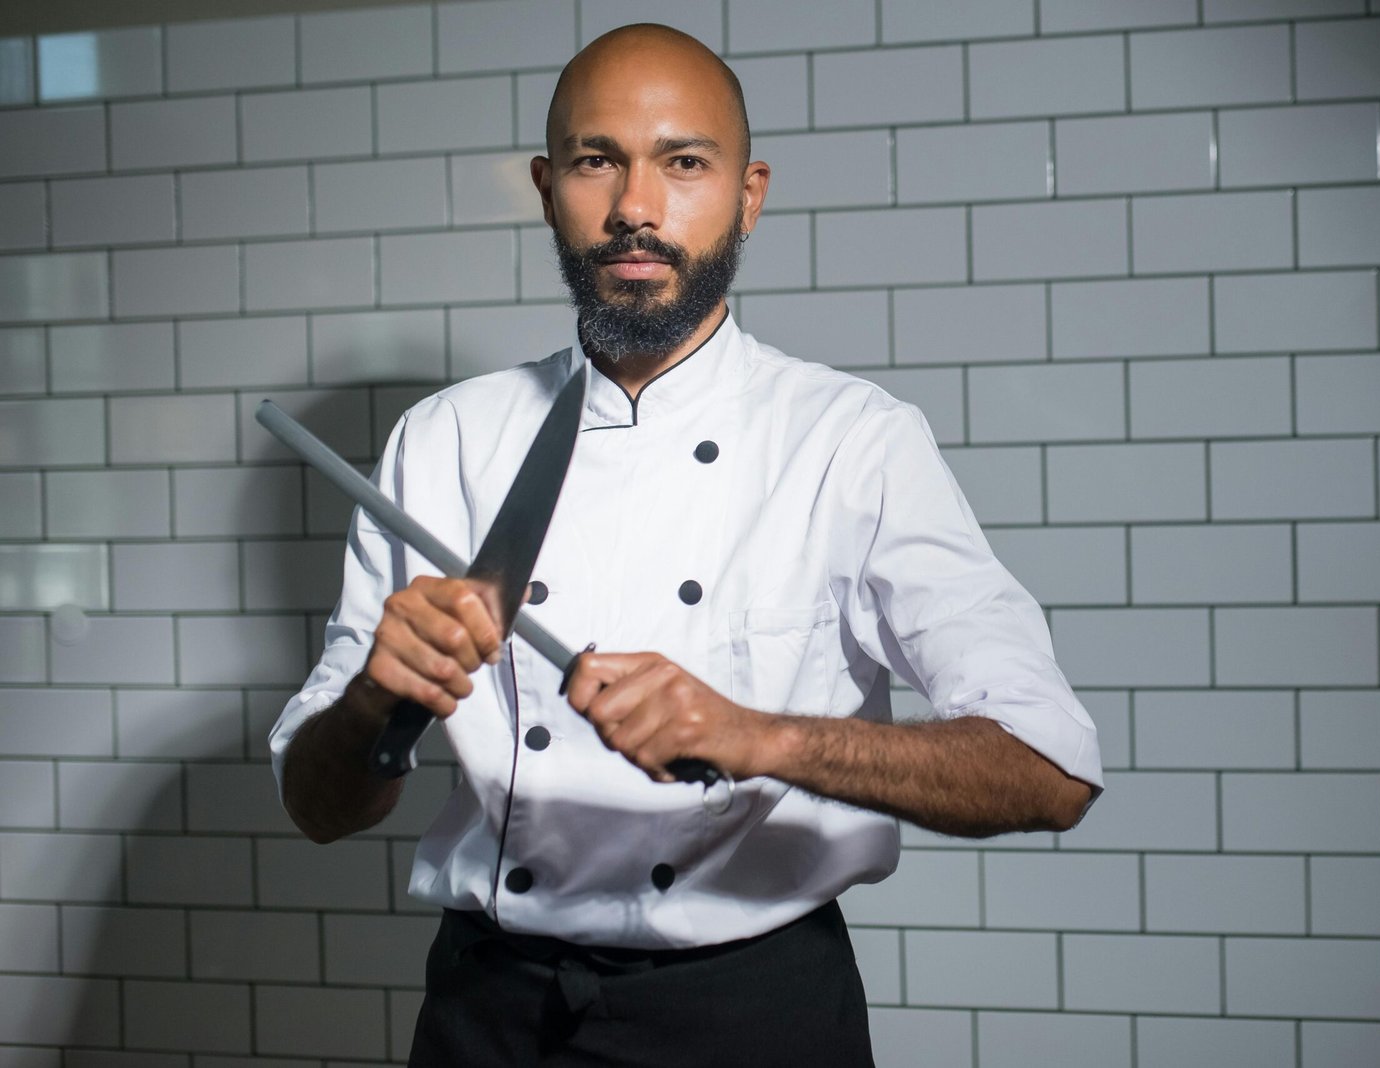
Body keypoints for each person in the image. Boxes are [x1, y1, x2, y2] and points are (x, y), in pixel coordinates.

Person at [271, 23, 1103, 1067]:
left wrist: (761, 738)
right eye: (594, 160)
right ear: (546, 187)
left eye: (683, 162)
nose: (634, 205)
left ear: (747, 193)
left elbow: (1049, 768)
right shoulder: (443, 442)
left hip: (751, 1014)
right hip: (488, 1013)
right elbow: (316, 807)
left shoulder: (851, 441)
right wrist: (376, 705)